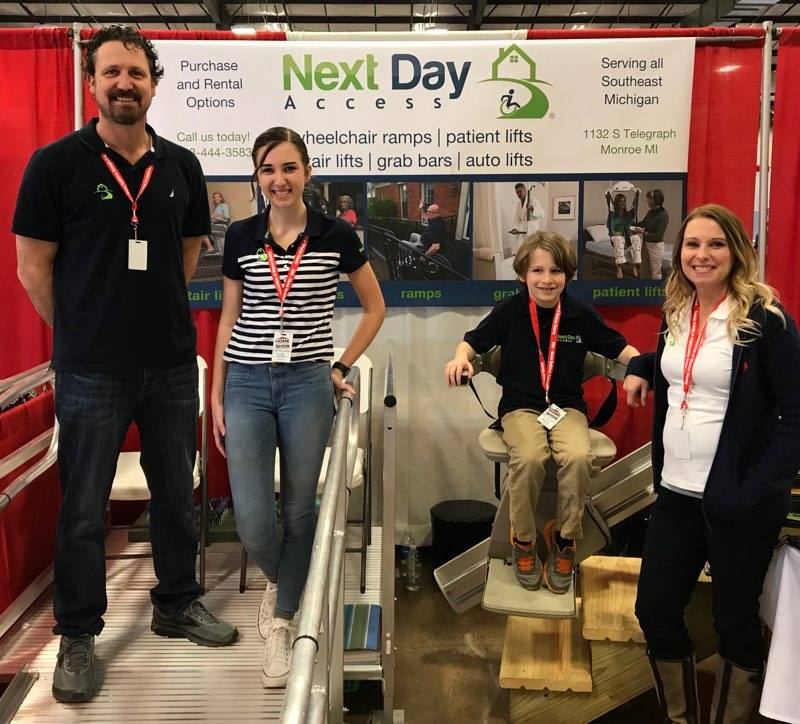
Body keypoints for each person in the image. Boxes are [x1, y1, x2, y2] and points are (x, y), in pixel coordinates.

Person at [11, 25, 238, 704]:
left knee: (176, 495)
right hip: (91, 371)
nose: (123, 84)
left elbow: (188, 254)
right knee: (83, 507)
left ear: (153, 84)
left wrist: (147, 318)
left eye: (136, 73)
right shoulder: (54, 165)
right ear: (92, 83)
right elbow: (32, 268)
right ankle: (79, 633)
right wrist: (83, 332)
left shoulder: (182, 167)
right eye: (111, 72)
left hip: (170, 364)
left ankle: (177, 602)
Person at [211, 127, 385, 688]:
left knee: (300, 510)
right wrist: (217, 391)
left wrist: (340, 367)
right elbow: (229, 315)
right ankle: (284, 578)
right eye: (268, 169)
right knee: (253, 518)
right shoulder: (242, 236)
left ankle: (284, 619)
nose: (279, 180)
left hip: (308, 382)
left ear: (307, 172)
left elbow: (375, 308)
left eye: (289, 168)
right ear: (257, 177)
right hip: (246, 382)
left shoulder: (336, 235)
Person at [623, 204, 800, 723]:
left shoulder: (766, 321)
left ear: (737, 252)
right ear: (679, 253)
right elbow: (685, 367)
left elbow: (796, 416)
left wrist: (750, 491)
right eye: (693, 244)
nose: (702, 255)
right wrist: (641, 364)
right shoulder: (678, 310)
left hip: (738, 502)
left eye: (716, 244)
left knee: (735, 623)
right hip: (677, 492)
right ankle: (681, 718)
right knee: (654, 610)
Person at [445, 232, 638, 593]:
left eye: (555, 271)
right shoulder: (509, 311)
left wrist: (642, 365)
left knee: (578, 457)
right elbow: (472, 342)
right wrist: (460, 358)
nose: (547, 279)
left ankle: (565, 538)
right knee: (531, 458)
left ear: (567, 275)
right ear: (523, 274)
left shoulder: (579, 314)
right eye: (538, 270)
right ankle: (523, 540)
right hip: (520, 406)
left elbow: (618, 346)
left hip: (566, 407)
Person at [605, 187, 642, 280]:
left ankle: (635, 264)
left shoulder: (628, 214)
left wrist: (637, 194)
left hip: (627, 237)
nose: (623, 203)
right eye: (620, 201)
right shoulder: (612, 215)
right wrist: (615, 233)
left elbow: (635, 207)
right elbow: (610, 228)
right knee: (619, 238)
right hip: (616, 237)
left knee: (637, 237)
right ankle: (619, 268)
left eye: (624, 201)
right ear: (616, 203)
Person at [632, 189, 669, 280]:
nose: (647, 201)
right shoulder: (651, 212)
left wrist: (643, 232)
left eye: (649, 198)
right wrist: (630, 224)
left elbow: (658, 236)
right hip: (646, 244)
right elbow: (643, 224)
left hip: (655, 247)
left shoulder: (663, 215)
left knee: (655, 273)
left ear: (656, 199)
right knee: (644, 271)